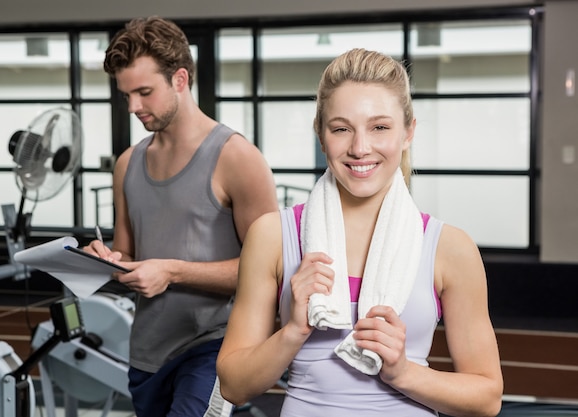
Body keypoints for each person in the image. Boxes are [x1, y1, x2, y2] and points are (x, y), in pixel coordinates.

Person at [216, 48, 503, 417]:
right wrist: (293, 331)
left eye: (380, 127)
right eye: (341, 129)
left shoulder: (449, 248)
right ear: (321, 134)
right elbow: (234, 386)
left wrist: (401, 372)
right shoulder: (273, 235)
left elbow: (487, 398)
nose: (360, 148)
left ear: (408, 132)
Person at [85, 16, 279, 417]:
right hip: (147, 355)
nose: (134, 107)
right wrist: (103, 261)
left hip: (214, 348)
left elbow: (271, 270)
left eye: (144, 92)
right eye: (126, 96)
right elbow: (127, 255)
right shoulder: (127, 164)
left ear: (180, 79)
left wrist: (172, 271)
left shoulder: (237, 158)